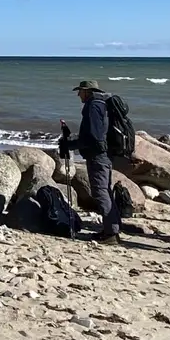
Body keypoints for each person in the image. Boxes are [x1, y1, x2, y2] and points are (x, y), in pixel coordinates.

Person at [60, 80, 121, 245]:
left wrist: (71, 143)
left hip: (98, 156)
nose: (78, 94)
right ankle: (112, 229)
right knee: (105, 191)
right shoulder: (102, 104)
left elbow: (93, 137)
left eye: (80, 91)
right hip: (104, 154)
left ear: (87, 91)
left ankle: (111, 233)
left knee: (101, 192)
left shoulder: (94, 106)